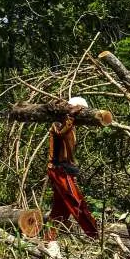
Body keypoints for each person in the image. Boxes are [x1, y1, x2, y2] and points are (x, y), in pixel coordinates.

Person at [46, 97, 99, 239]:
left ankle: (49, 239)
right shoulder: (58, 123)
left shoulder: (70, 125)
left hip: (64, 169)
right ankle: (94, 235)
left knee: (61, 208)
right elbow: (59, 133)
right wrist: (71, 116)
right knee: (76, 202)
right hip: (59, 170)